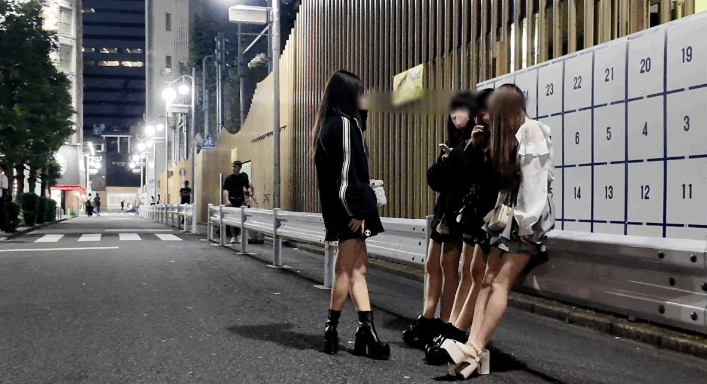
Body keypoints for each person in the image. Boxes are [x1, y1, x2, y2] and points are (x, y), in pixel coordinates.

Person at [441, 83, 555, 379]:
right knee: (488, 280)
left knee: (498, 282)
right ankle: (472, 350)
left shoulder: (532, 131)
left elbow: (536, 181)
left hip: (524, 217)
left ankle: (475, 349)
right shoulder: (515, 136)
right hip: (509, 214)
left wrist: (527, 223)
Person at [314, 70, 389, 359]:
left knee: (358, 270)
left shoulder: (330, 124)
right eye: (360, 92)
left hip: (344, 208)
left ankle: (365, 330)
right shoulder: (344, 125)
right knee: (346, 269)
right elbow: (346, 176)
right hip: (350, 209)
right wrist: (356, 210)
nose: (364, 97)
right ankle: (331, 329)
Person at [424, 89, 501, 364]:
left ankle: (461, 334)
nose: (460, 115)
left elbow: (481, 176)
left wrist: (464, 153)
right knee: (467, 271)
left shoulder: (498, 141)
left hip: (489, 216)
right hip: (468, 213)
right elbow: (437, 177)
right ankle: (452, 330)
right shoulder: (472, 141)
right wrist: (461, 153)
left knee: (482, 277)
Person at [403, 91, 476, 350]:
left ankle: (446, 323)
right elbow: (434, 178)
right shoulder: (453, 143)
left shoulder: (475, 142)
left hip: (462, 213)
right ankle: (428, 318)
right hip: (444, 212)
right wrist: (448, 159)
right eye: (453, 111)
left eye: (462, 110)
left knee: (449, 266)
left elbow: (467, 174)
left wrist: (451, 160)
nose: (456, 115)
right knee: (433, 265)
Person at [222, 161, 253, 243]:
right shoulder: (229, 178)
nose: (233, 168)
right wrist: (227, 200)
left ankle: (239, 234)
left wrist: (250, 192)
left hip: (240, 200)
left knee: (241, 218)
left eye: (234, 167)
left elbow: (247, 186)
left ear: (238, 168)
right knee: (232, 219)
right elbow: (225, 190)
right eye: (233, 167)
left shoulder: (242, 177)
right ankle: (233, 236)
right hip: (232, 200)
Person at [0, 164, 13, 233]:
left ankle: (5, 227)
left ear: (2, 170)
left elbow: (5, 186)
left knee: (3, 213)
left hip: (2, 197)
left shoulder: (3, 177)